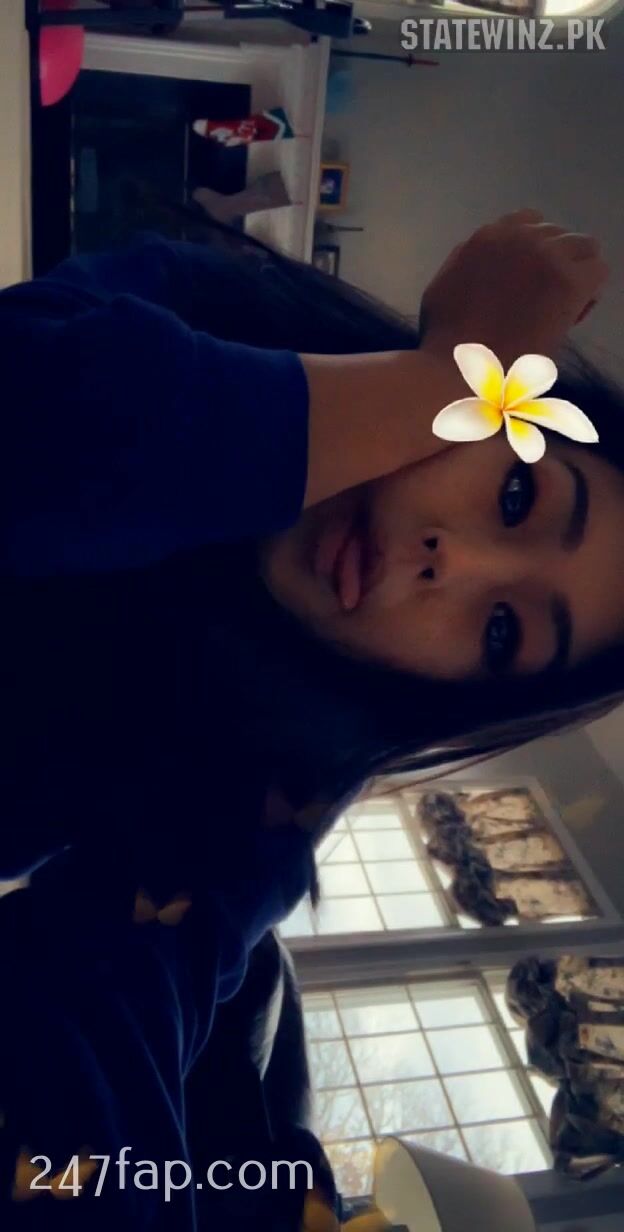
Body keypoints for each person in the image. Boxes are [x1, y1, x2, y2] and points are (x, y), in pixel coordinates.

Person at [0, 207, 619, 1226]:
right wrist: (434, 381)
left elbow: (110, 1009)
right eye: (515, 494)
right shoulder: (200, 306)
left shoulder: (267, 788)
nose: (453, 562)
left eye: (502, 630)